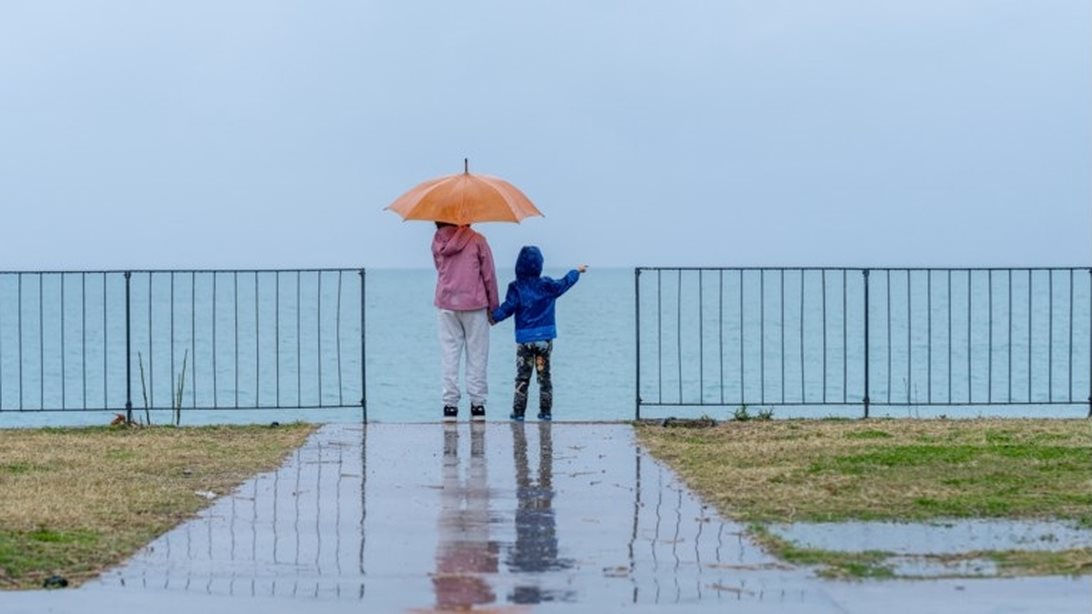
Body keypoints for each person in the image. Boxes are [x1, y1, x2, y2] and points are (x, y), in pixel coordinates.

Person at [490, 246, 586, 421]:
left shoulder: (516, 288)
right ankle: (545, 412)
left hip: (525, 340)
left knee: (522, 377)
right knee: (544, 377)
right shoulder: (547, 285)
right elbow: (565, 282)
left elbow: (508, 307)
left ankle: (518, 413)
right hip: (544, 340)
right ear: (539, 265)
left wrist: (494, 318)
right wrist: (577, 271)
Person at [432, 222, 499, 421]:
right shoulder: (477, 240)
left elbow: (440, 269)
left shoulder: (437, 242)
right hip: (475, 304)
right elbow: (489, 275)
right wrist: (493, 308)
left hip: (446, 303)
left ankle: (450, 406)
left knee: (449, 355)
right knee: (477, 355)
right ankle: (478, 405)